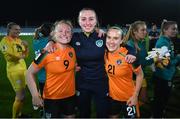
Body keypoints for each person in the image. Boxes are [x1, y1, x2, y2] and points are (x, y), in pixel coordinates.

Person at [45, 8, 136, 118]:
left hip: (101, 83)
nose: (87, 23)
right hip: (82, 83)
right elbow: (57, 35)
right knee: (84, 114)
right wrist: (50, 42)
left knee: (102, 114)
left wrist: (131, 53)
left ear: (96, 21)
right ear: (79, 21)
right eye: (83, 19)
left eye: (91, 19)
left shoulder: (103, 36)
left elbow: (125, 46)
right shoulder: (74, 38)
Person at [26, 20, 76, 118]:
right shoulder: (46, 52)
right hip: (52, 99)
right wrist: (35, 95)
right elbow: (29, 73)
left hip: (70, 96)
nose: (64, 34)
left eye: (68, 31)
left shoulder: (72, 50)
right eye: (60, 31)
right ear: (53, 33)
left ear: (71, 34)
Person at [105, 26, 143, 118]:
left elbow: (140, 75)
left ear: (121, 41)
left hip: (129, 98)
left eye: (116, 38)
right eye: (109, 37)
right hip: (112, 97)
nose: (111, 41)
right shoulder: (104, 53)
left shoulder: (129, 56)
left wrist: (135, 96)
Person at [0, 22, 28, 118]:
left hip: (23, 70)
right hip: (14, 72)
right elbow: (10, 58)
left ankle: (19, 114)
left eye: (19, 29)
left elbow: (25, 54)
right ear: (9, 30)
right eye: (16, 29)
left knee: (23, 96)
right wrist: (21, 56)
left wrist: (27, 47)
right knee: (20, 96)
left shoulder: (18, 40)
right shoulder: (5, 42)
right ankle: (14, 117)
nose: (18, 31)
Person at [153, 20, 180, 118]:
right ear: (165, 30)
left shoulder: (167, 40)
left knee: (161, 100)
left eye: (176, 29)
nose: (175, 31)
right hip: (163, 77)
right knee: (161, 100)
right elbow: (166, 64)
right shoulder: (163, 43)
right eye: (173, 29)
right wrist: (178, 58)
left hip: (165, 75)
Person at [32, 23, 52, 117]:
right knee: (49, 98)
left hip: (40, 75)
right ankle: (46, 114)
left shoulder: (36, 41)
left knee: (43, 95)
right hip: (48, 76)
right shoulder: (48, 42)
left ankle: (42, 110)